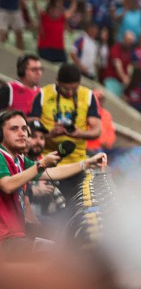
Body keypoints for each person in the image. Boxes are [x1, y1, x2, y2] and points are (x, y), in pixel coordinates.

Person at [0, 110, 106, 253]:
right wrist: (41, 164)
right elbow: (7, 185)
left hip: (17, 235)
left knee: (62, 238)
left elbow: (52, 172)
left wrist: (86, 164)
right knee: (57, 255)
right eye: (14, 129)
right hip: (5, 240)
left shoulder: (19, 160)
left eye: (25, 129)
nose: (22, 133)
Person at [28, 63, 102, 214]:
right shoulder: (43, 95)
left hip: (78, 163)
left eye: (73, 89)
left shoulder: (87, 96)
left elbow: (97, 130)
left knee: (78, 211)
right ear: (57, 81)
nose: (69, 92)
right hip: (48, 163)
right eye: (65, 88)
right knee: (52, 212)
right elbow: (31, 128)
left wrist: (78, 133)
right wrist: (50, 134)